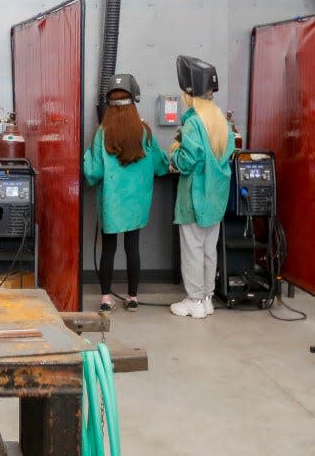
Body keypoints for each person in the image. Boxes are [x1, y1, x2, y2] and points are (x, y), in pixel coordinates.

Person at [83, 74, 169, 312]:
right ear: (134, 102)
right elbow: (160, 165)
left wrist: (87, 155)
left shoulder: (102, 134)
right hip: (136, 202)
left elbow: (94, 172)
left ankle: (105, 299)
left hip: (111, 201)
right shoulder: (145, 132)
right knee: (133, 247)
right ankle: (132, 298)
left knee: (108, 249)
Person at [168, 56, 235, 319]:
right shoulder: (221, 121)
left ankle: (194, 301)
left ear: (189, 93)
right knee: (209, 250)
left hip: (195, 197)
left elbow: (188, 160)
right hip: (215, 198)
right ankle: (207, 298)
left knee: (192, 250)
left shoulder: (193, 122)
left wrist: (174, 154)